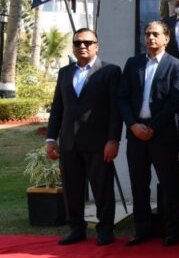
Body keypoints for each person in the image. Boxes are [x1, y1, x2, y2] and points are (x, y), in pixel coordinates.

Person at [45, 28, 122, 246]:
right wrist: (51, 139)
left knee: (102, 188)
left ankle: (105, 229)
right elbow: (58, 108)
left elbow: (115, 110)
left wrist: (113, 139)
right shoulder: (64, 72)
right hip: (69, 142)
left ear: (97, 45)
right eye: (78, 43)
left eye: (88, 42)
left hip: (99, 142)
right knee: (72, 188)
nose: (82, 46)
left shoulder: (110, 71)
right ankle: (76, 228)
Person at [117, 21, 179, 247]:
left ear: (166, 38)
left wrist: (153, 127)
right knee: (139, 185)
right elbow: (123, 97)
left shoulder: (176, 65)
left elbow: (176, 99)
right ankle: (142, 230)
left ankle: (172, 231)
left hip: (163, 134)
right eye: (147, 34)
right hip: (136, 134)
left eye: (155, 34)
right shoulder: (133, 63)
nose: (150, 38)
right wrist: (133, 125)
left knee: (169, 185)